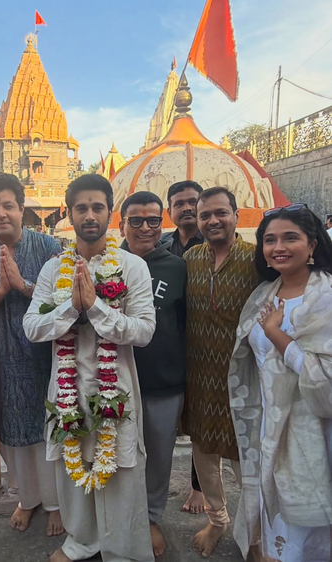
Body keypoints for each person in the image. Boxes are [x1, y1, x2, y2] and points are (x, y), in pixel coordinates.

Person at [23, 174, 156, 562]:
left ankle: (123, 550)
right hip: (68, 389)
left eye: (98, 207)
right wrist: (72, 308)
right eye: (81, 208)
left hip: (117, 389)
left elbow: (144, 330)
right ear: (69, 214)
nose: (90, 215)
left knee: (121, 472)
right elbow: (32, 327)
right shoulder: (53, 270)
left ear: (110, 213)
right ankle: (81, 542)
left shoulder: (131, 266)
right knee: (73, 468)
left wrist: (95, 307)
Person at [0, 173, 64, 536]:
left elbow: (64, 300)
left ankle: (56, 503)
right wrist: (2, 289)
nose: (0, 213)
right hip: (2, 362)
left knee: (50, 429)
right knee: (14, 436)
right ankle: (29, 498)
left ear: (22, 209)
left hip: (45, 359)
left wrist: (23, 285)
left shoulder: (49, 247)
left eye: (8, 206)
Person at [229, 204, 332, 562]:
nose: (279, 247)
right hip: (269, 425)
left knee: (306, 533)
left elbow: (327, 380)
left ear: (312, 244)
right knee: (275, 521)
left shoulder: (326, 298)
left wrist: (276, 334)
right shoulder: (263, 295)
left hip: (314, 430)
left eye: (290, 238)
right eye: (270, 240)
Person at [181, 187, 260, 558]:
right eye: (205, 215)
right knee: (204, 456)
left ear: (236, 216)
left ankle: (256, 537)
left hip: (244, 379)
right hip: (198, 377)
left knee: (248, 462)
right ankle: (217, 520)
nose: (213, 221)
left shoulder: (257, 259)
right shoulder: (189, 259)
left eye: (220, 213)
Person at [119, 191, 186, 557]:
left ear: (163, 223)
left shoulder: (176, 267)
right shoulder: (107, 263)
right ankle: (118, 514)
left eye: (153, 221)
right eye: (136, 221)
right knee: (117, 453)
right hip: (115, 379)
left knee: (159, 456)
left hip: (162, 380)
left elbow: (185, 323)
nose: (145, 228)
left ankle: (150, 516)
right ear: (122, 225)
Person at [161, 179, 205, 515]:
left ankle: (199, 486)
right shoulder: (161, 245)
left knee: (202, 420)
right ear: (170, 210)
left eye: (193, 202)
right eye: (179, 203)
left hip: (205, 342)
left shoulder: (216, 240)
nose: (187, 208)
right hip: (168, 342)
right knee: (166, 418)